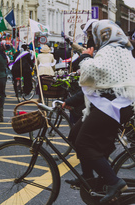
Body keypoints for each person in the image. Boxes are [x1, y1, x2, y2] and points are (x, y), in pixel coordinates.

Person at [65, 20, 135, 203]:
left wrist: (85, 58)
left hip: (112, 106)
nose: (91, 39)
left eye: (92, 34)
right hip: (109, 104)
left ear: (102, 34)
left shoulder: (110, 50)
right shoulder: (118, 49)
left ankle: (114, 182)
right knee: (75, 134)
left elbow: (92, 73)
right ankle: (88, 178)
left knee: (84, 143)